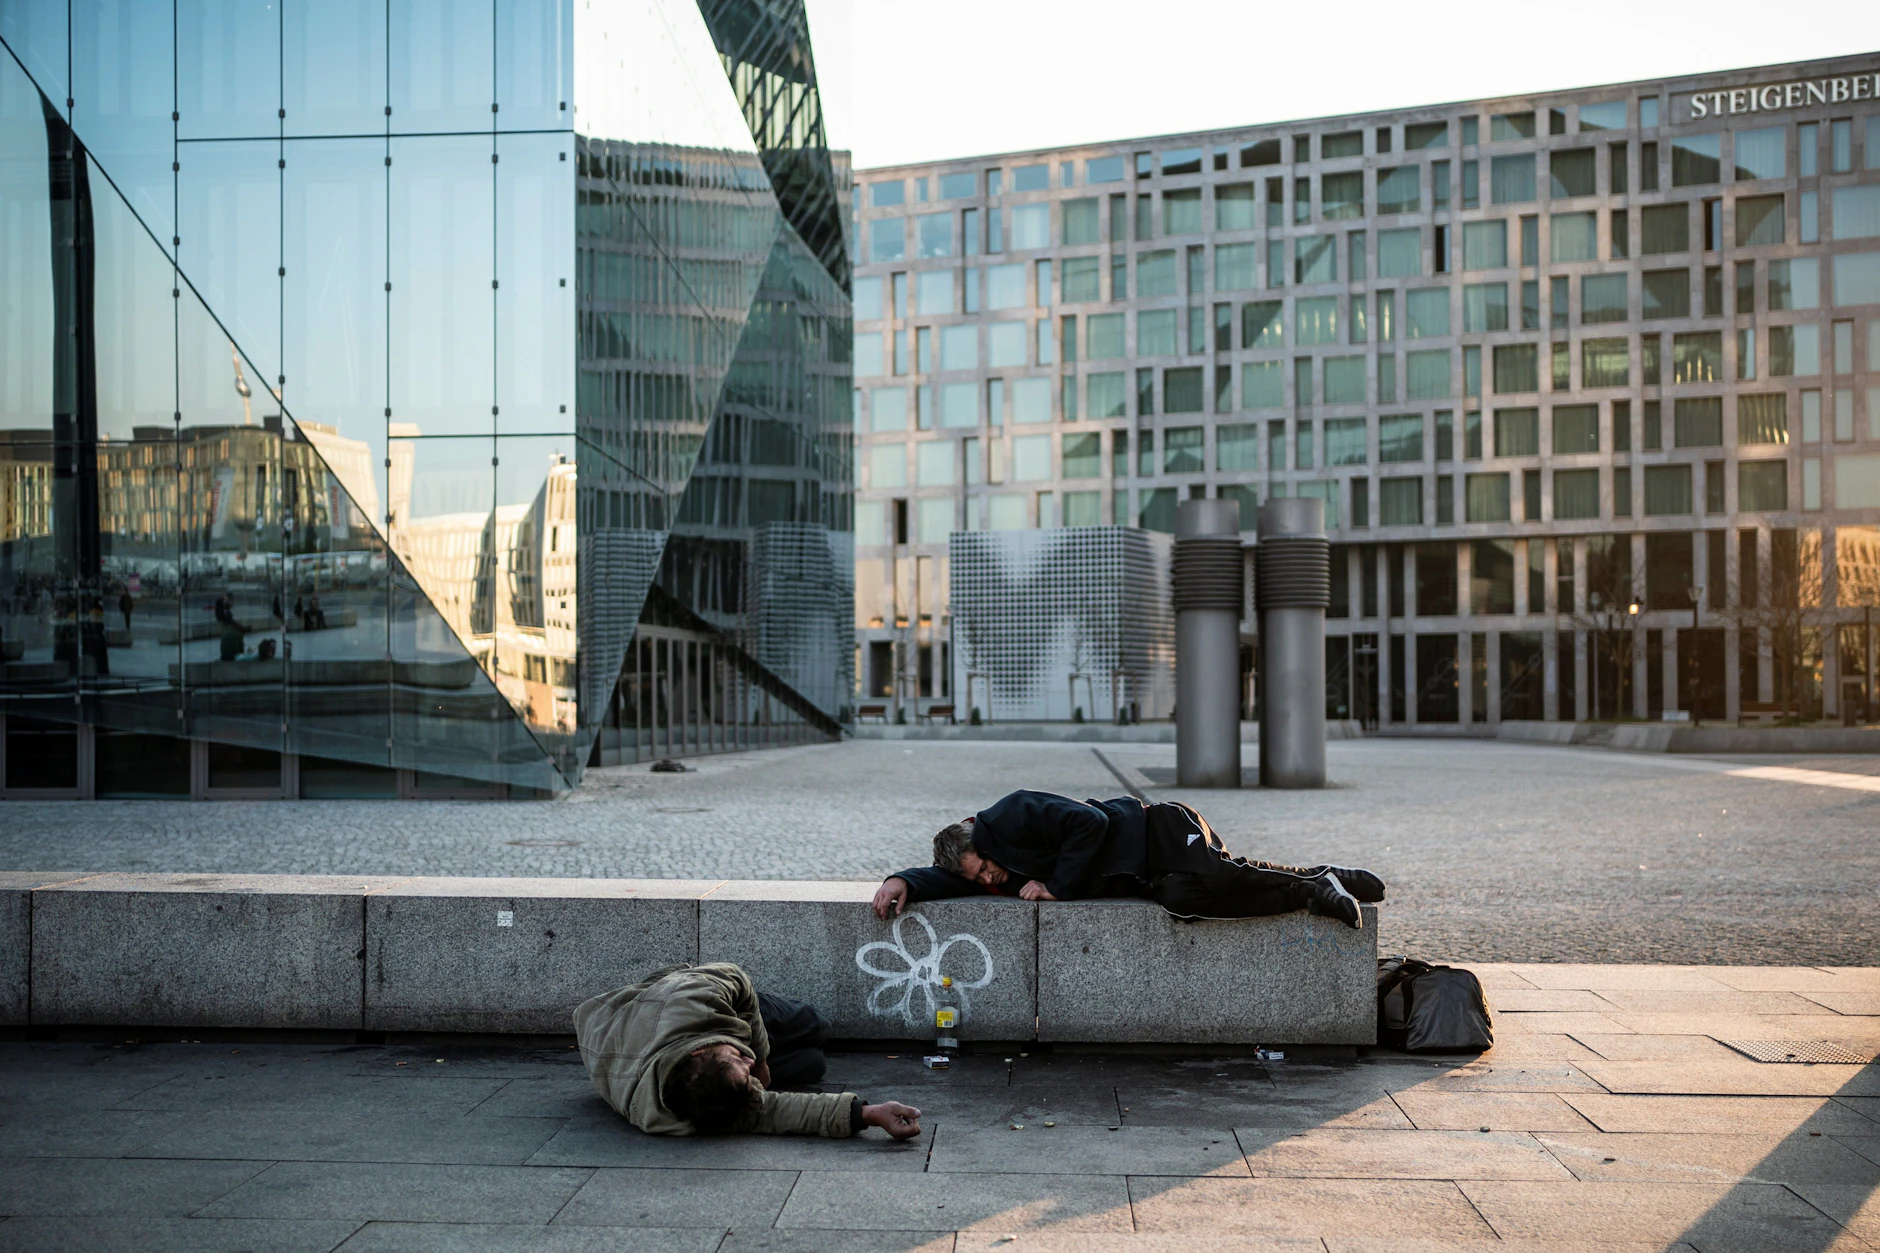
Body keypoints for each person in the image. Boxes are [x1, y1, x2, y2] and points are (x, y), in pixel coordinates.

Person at [872, 790, 1386, 930]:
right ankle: (1314, 889)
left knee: (1221, 872)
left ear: (980, 840)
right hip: (1152, 877)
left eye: (985, 866)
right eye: (980, 877)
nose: (990, 877)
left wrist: (1056, 886)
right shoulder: (978, 870)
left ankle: (1320, 880)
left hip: (1157, 828)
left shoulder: (1013, 812)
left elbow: (1090, 822)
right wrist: (903, 881)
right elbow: (947, 880)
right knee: (1185, 903)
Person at [574, 962, 922, 1139]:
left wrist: (762, 1054)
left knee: (818, 1025)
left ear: (697, 1053)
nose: (749, 1060)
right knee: (812, 1064)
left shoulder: (693, 999)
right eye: (745, 1068)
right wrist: (868, 1114)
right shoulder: (693, 1110)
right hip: (656, 1048)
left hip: (681, 1001)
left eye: (736, 1057)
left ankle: (784, 1034)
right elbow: (776, 1112)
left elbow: (736, 976)